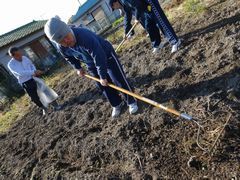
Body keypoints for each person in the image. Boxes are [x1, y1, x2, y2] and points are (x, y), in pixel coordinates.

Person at [44, 17, 138, 118]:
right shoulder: (62, 47)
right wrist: (78, 68)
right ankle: (117, 103)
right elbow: (68, 57)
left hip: (106, 54)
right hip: (90, 62)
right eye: (62, 41)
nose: (66, 41)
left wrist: (102, 75)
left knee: (118, 78)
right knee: (102, 86)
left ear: (68, 30)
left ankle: (131, 100)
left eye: (66, 37)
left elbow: (98, 54)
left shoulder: (84, 35)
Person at [110, 0, 181, 53]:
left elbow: (137, 4)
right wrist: (126, 32)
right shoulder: (123, 4)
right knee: (148, 26)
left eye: (114, 7)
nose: (115, 9)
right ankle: (157, 44)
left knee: (160, 22)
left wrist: (137, 18)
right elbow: (127, 16)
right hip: (143, 8)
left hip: (149, 3)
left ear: (115, 3)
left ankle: (175, 41)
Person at [7, 47, 62, 115]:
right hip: (26, 82)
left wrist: (34, 71)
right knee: (34, 98)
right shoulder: (11, 64)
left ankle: (56, 105)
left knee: (45, 91)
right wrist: (33, 71)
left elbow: (31, 65)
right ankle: (44, 108)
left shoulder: (25, 58)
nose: (20, 56)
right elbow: (20, 73)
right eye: (17, 55)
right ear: (12, 56)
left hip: (34, 78)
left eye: (20, 54)